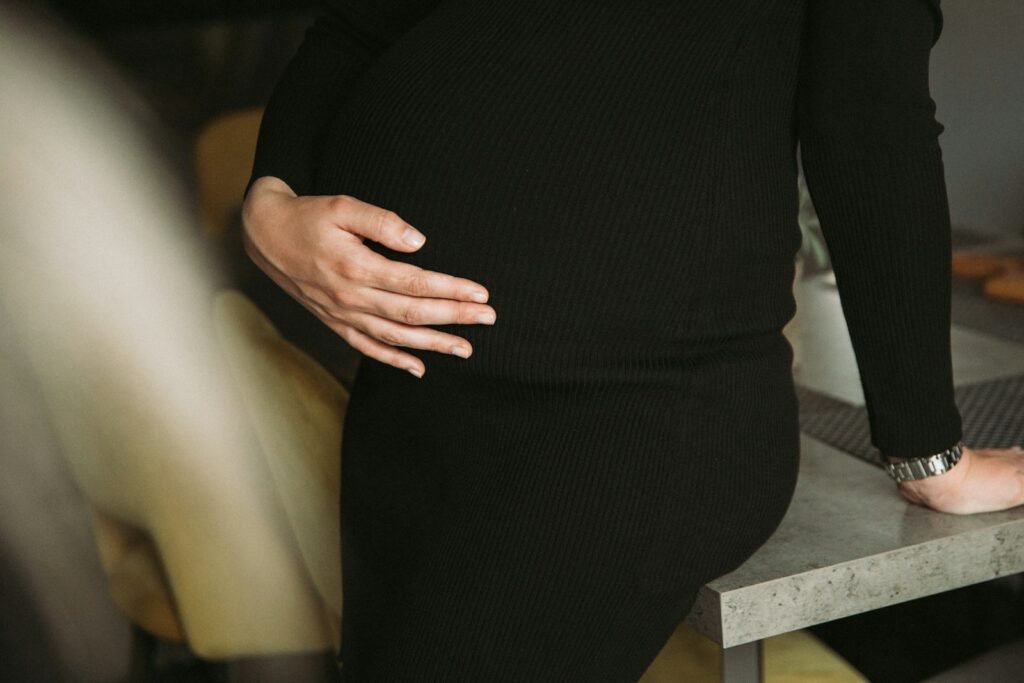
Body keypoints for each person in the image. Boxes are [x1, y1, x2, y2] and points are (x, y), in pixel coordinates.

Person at [241, 0, 1024, 679]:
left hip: (618, 420)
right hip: (410, 389)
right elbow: (353, 29)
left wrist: (928, 449)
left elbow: (869, 118)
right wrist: (269, 200)